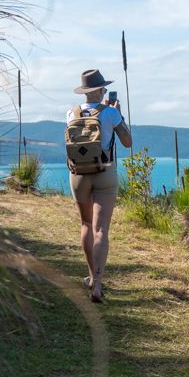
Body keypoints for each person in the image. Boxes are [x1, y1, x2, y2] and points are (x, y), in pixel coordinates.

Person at [66, 69, 132, 303]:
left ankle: (90, 274)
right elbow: (127, 142)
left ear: (85, 92)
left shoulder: (71, 114)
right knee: (101, 228)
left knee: (85, 224)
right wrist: (119, 115)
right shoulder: (111, 113)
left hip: (79, 174)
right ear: (101, 90)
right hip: (105, 173)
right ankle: (98, 283)